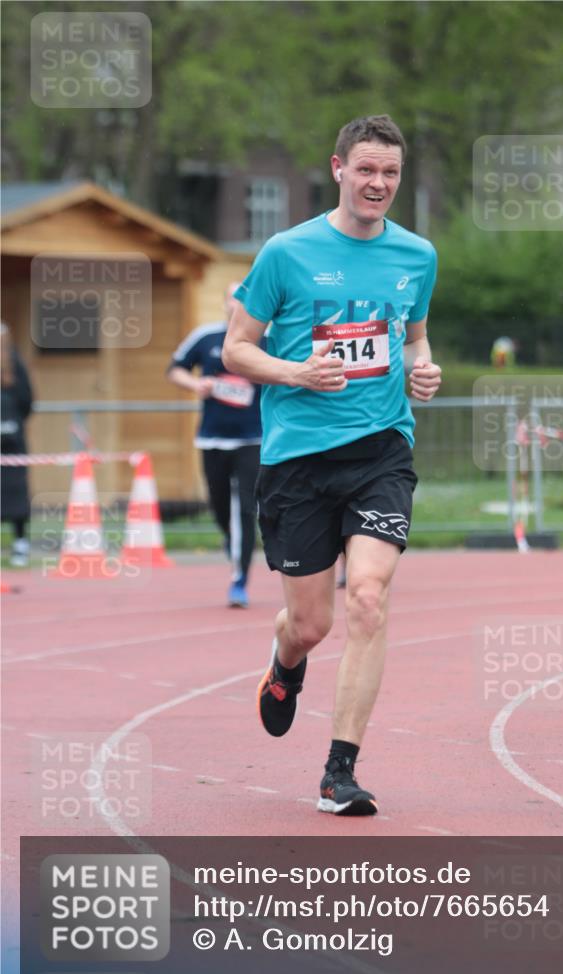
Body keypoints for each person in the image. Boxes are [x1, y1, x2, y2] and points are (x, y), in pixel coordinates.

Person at [223, 114, 441, 815]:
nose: (378, 183)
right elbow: (235, 351)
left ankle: (338, 771)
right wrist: (293, 373)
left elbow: (414, 338)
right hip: (297, 462)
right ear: (338, 168)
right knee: (310, 625)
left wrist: (422, 369)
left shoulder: (417, 256)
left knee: (368, 600)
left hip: (380, 451)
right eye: (366, 169)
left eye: (390, 173)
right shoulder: (286, 252)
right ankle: (285, 664)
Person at [167, 284, 262, 608]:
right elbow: (175, 369)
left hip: (253, 438)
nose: (239, 304)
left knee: (245, 507)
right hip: (212, 437)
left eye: (245, 298)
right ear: (224, 303)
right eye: (234, 297)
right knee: (219, 503)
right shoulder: (206, 337)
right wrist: (197, 384)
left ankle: (239, 579)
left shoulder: (266, 340)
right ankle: (230, 538)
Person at [1, 322, 34, 567]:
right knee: (17, 490)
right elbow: (27, 401)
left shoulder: (14, 364)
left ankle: (21, 543)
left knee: (15, 490)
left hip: (12, 439)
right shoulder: (15, 363)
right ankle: (20, 543)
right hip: (14, 438)